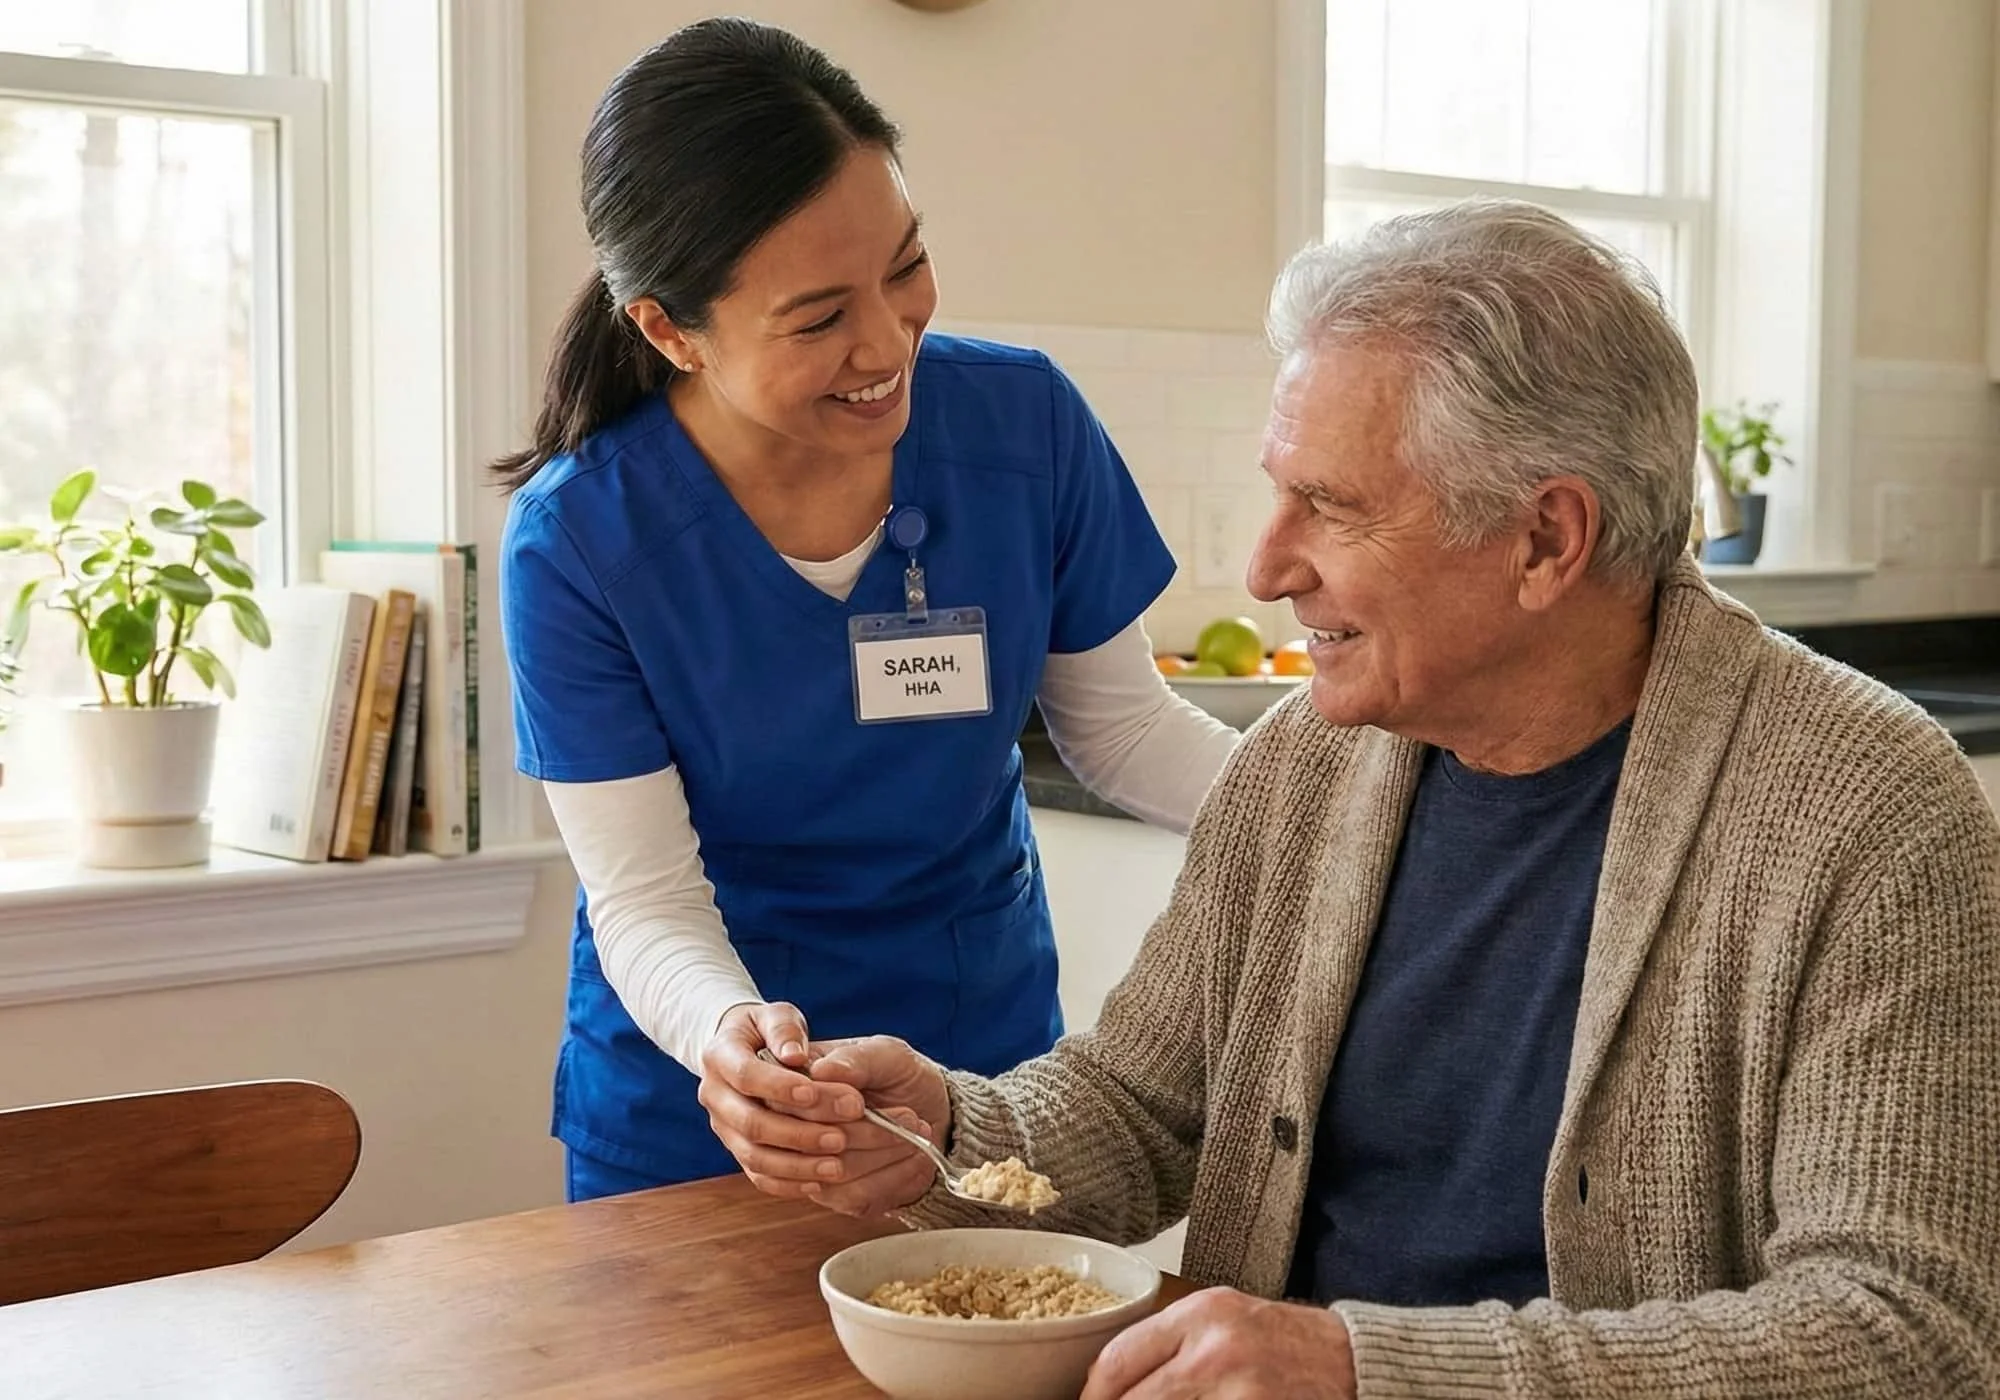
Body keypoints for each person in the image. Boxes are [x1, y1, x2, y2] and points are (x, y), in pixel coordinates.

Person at [723, 201, 2000, 1397]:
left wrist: (1363, 1368)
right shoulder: (1303, 765)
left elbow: (1906, 1324)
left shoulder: (1868, 815)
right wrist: (942, 1123)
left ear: (1545, 539)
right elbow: (1139, 1103)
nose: (1264, 564)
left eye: (1327, 506)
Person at [494, 17, 1238, 1202]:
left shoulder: (1024, 426)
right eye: (817, 316)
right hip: (710, 1111)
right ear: (668, 329)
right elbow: (644, 897)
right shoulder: (580, 540)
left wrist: (1355, 809)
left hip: (979, 1072)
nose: (887, 341)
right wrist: (736, 1044)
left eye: (904, 267)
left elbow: (1126, 733)